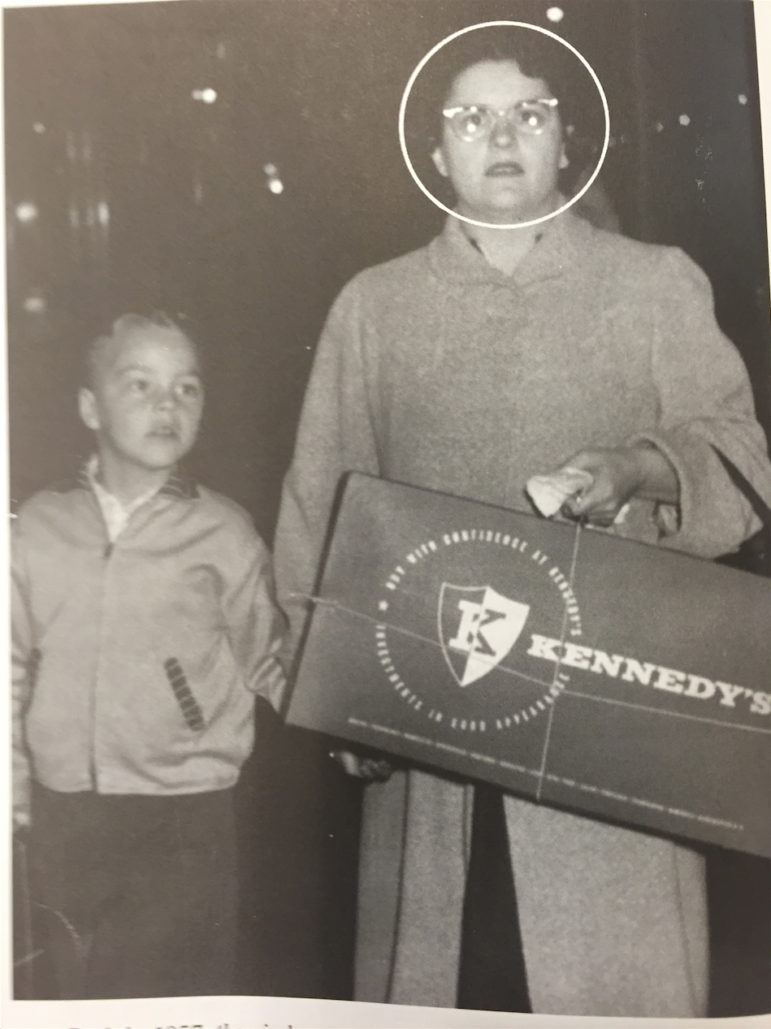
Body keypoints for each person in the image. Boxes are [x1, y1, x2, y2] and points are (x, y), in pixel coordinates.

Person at [273, 26, 771, 1018]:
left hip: (611, 765)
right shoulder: (372, 309)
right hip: (426, 760)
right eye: (472, 116)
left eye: (529, 113)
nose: (502, 135)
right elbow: (316, 512)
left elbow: (746, 459)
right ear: (436, 150)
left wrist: (638, 465)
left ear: (566, 140)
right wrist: (329, 691)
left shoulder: (652, 282)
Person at [12, 313, 286, 999]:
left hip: (183, 818)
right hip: (63, 812)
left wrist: (355, 722)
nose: (168, 404)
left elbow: (273, 657)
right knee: (70, 991)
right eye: (140, 385)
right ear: (88, 406)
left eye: (187, 388)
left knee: (176, 995)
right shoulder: (35, 527)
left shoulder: (223, 531)